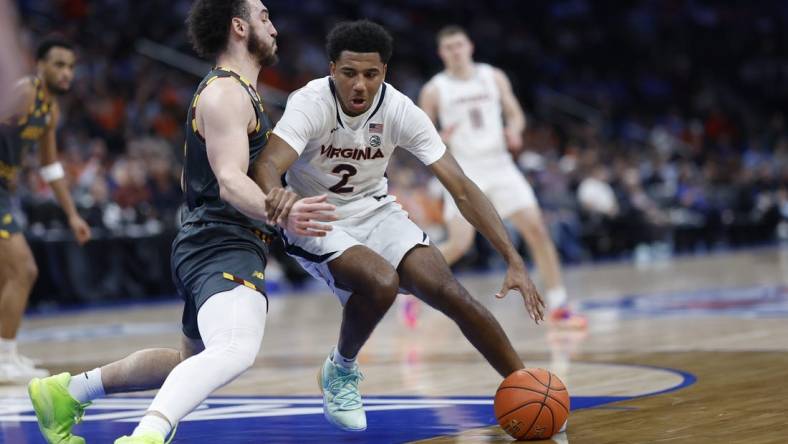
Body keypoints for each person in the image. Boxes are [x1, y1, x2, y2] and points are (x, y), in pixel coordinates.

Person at [26, 2, 335, 444]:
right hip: (221, 243)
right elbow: (228, 182)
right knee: (234, 349)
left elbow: (196, 176)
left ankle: (69, 391)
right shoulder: (226, 92)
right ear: (239, 26)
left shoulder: (229, 92)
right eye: (264, 16)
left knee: (191, 358)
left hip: (206, 241)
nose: (274, 25)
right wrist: (284, 210)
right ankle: (149, 435)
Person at [254, 20, 545, 432]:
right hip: (313, 212)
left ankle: (528, 387)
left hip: (375, 209)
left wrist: (512, 258)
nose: (360, 85)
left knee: (450, 292)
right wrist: (275, 193)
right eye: (350, 73)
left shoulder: (399, 108)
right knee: (382, 282)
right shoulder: (311, 101)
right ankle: (341, 369)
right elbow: (267, 163)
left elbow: (461, 187)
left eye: (371, 74)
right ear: (332, 69)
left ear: (384, 73)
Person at [419, 25, 586, 329]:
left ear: (469, 45)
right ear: (441, 53)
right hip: (464, 172)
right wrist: (439, 136)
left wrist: (515, 130)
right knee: (459, 244)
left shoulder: (492, 76)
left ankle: (559, 304)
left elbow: (515, 112)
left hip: (500, 165)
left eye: (459, 45)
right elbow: (420, 132)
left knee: (536, 229)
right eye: (449, 47)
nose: (455, 51)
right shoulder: (434, 89)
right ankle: (410, 284)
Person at [0, 37, 92, 383]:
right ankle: (4, 357)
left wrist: (72, 215)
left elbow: (50, 167)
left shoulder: (50, 110)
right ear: (39, 66)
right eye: (59, 65)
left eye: (70, 66)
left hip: (6, 192)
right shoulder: (23, 93)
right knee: (24, 269)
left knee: (8, 275)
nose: (66, 73)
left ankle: (6, 353)